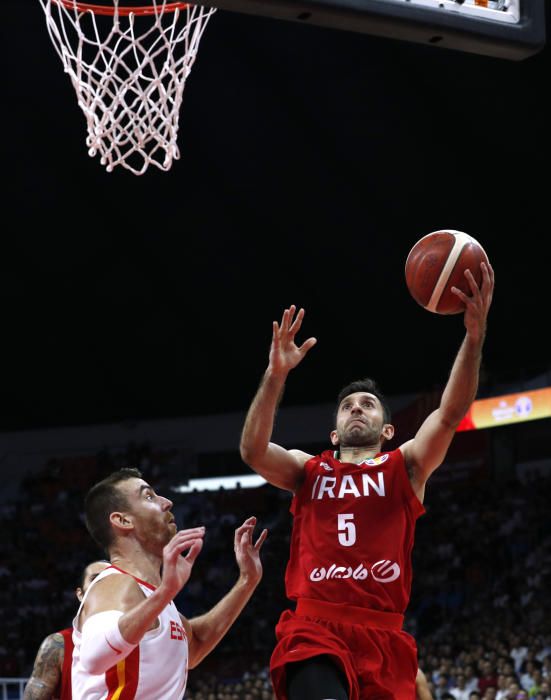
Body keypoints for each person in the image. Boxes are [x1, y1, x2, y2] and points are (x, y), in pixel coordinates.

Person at [239, 262, 494, 700]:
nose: (357, 408)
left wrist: (473, 337)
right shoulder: (308, 470)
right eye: (348, 406)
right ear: (334, 433)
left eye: (369, 404)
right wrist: (276, 374)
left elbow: (450, 414)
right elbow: (253, 452)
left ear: (389, 430)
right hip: (315, 629)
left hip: (383, 636)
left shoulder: (406, 466)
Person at [72, 467, 267, 699]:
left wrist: (247, 581)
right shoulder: (115, 584)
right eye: (148, 496)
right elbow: (94, 657)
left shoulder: (152, 598)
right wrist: (166, 592)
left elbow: (195, 646)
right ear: (123, 520)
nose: (167, 502)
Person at [23, 560, 110, 700]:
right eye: (96, 578)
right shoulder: (58, 645)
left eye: (112, 580)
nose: (104, 585)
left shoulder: (139, 642)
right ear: (80, 594)